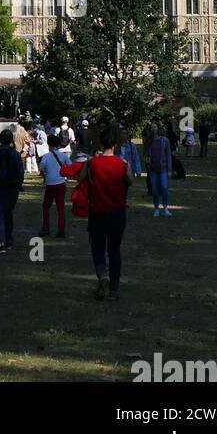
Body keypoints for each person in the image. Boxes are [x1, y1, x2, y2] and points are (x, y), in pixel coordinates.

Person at [63, 123, 132, 300]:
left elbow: (79, 178)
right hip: (117, 212)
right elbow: (130, 181)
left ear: (100, 144)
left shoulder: (93, 163)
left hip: (97, 212)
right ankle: (114, 289)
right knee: (115, 250)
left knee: (98, 247)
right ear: (115, 144)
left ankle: (103, 276)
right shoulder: (123, 164)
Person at [37, 129, 71, 238]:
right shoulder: (63, 156)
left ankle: (46, 226)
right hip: (61, 182)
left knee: (46, 206)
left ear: (49, 144)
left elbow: (41, 168)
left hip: (50, 183)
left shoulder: (46, 156)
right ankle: (61, 230)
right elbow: (70, 165)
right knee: (60, 207)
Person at [145, 122, 173, 218]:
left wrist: (169, 169)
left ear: (158, 128)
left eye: (155, 127)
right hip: (153, 169)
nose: (153, 128)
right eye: (152, 127)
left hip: (163, 168)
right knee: (155, 190)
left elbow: (169, 154)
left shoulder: (164, 140)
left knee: (164, 188)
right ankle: (156, 209)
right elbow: (147, 154)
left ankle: (165, 208)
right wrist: (148, 161)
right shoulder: (149, 141)